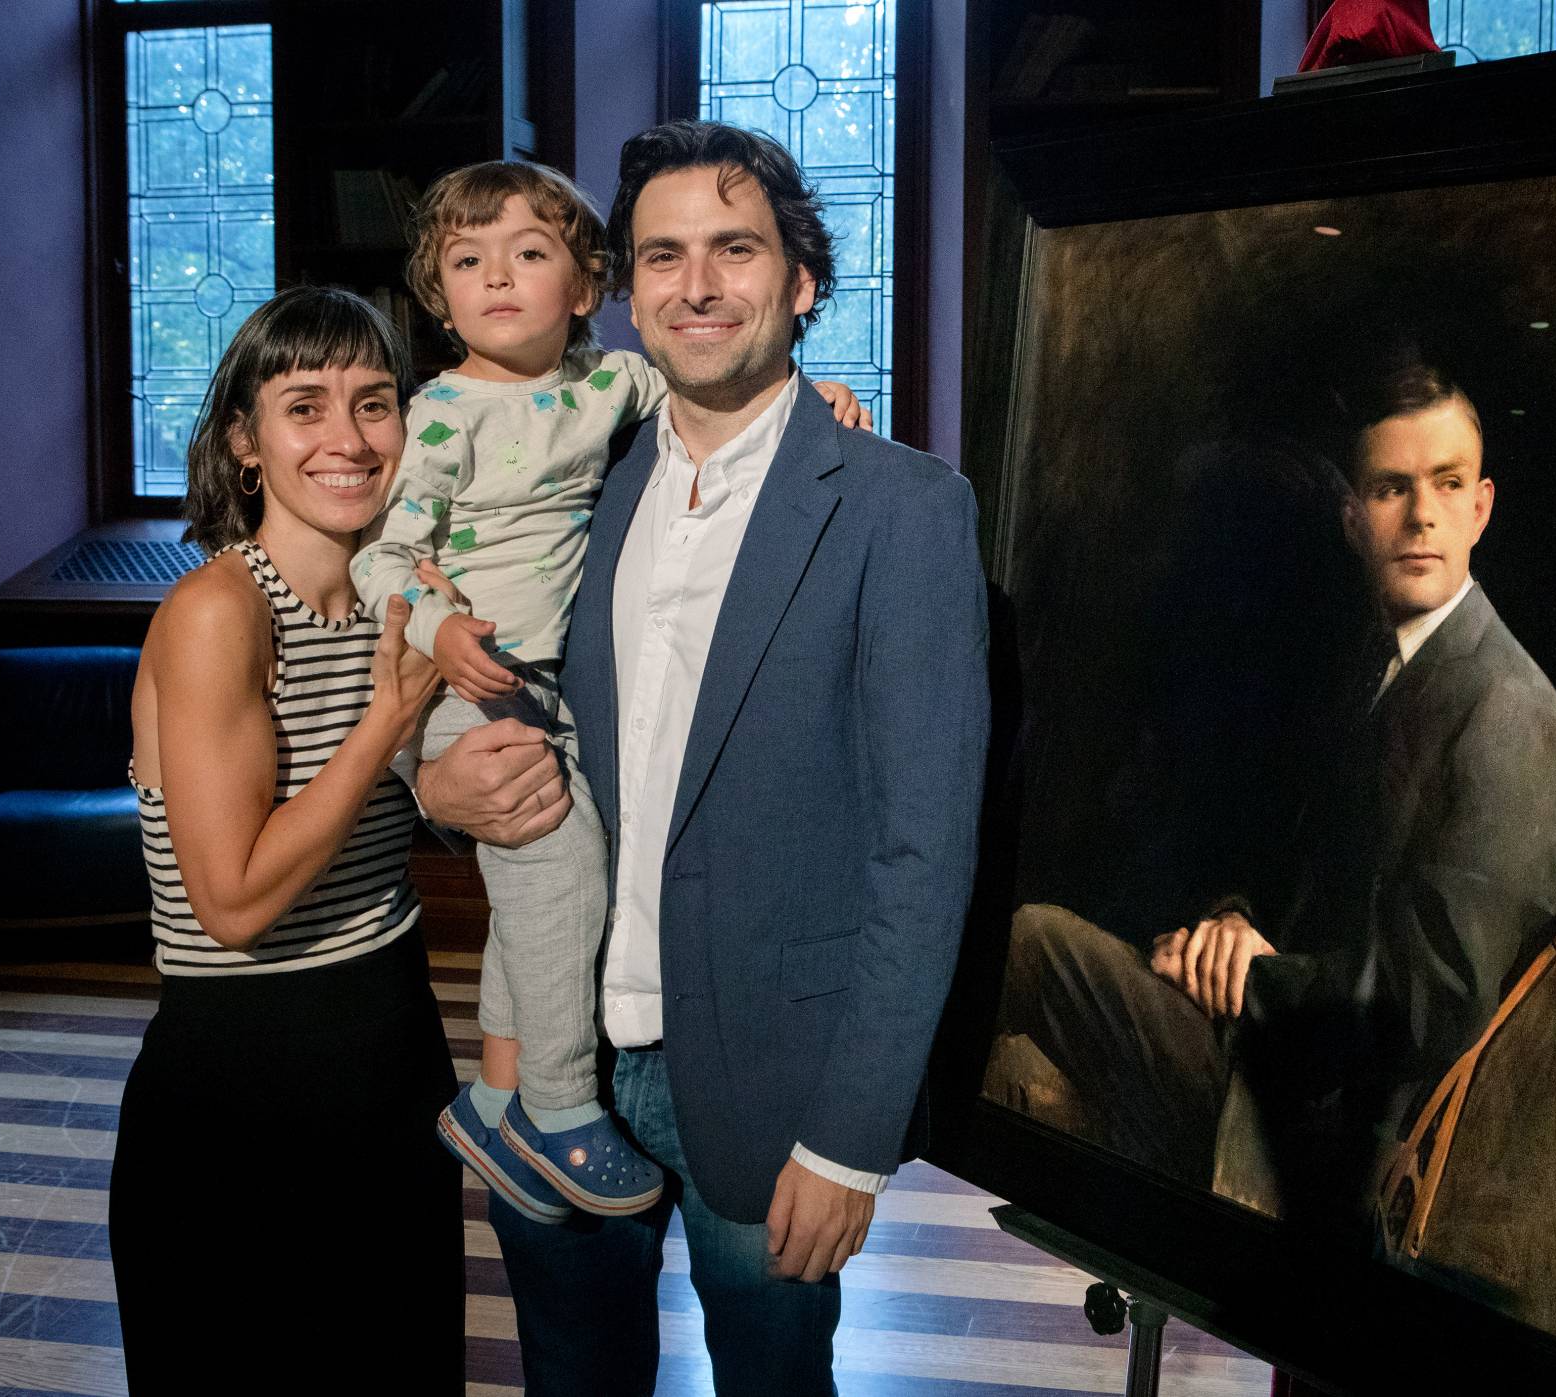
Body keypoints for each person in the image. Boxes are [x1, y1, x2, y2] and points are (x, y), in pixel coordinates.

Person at [416, 120, 990, 1395]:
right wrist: (436, 792)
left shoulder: (904, 505)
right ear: (622, 294)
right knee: (574, 1377)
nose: (698, 284)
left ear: (801, 279)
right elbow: (472, 685)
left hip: (770, 1071)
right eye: (663, 256)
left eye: (736, 248)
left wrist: (851, 1140)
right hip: (565, 1053)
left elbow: (927, 842)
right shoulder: (580, 474)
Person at [352, 160, 866, 1223]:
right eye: (467, 261)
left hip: (556, 683)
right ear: (436, 294)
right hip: (475, 678)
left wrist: (819, 398)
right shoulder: (440, 415)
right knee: (560, 865)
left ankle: (491, 1096)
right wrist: (441, 629)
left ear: (589, 288)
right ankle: (554, 1104)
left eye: (529, 254)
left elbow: (718, 387)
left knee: (537, 896)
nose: (497, 278)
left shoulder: (609, 382)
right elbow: (381, 557)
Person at [995, 359, 1556, 1229]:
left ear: (1480, 507)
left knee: (1030, 942)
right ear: (1352, 517)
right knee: (1010, 1060)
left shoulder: (1505, 710)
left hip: (1323, 1114)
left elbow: (1432, 1001)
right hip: (1281, 1051)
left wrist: (1256, 978)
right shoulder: (1374, 667)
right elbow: (1310, 876)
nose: (1421, 515)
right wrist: (1231, 924)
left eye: (1447, 484)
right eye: (1391, 488)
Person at [108, 286, 465, 1394]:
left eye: (374, 403)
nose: (349, 440)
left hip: (395, 1046)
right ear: (245, 442)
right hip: (242, 1082)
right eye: (304, 406)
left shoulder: (398, 597)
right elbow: (234, 900)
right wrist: (387, 724)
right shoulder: (220, 611)